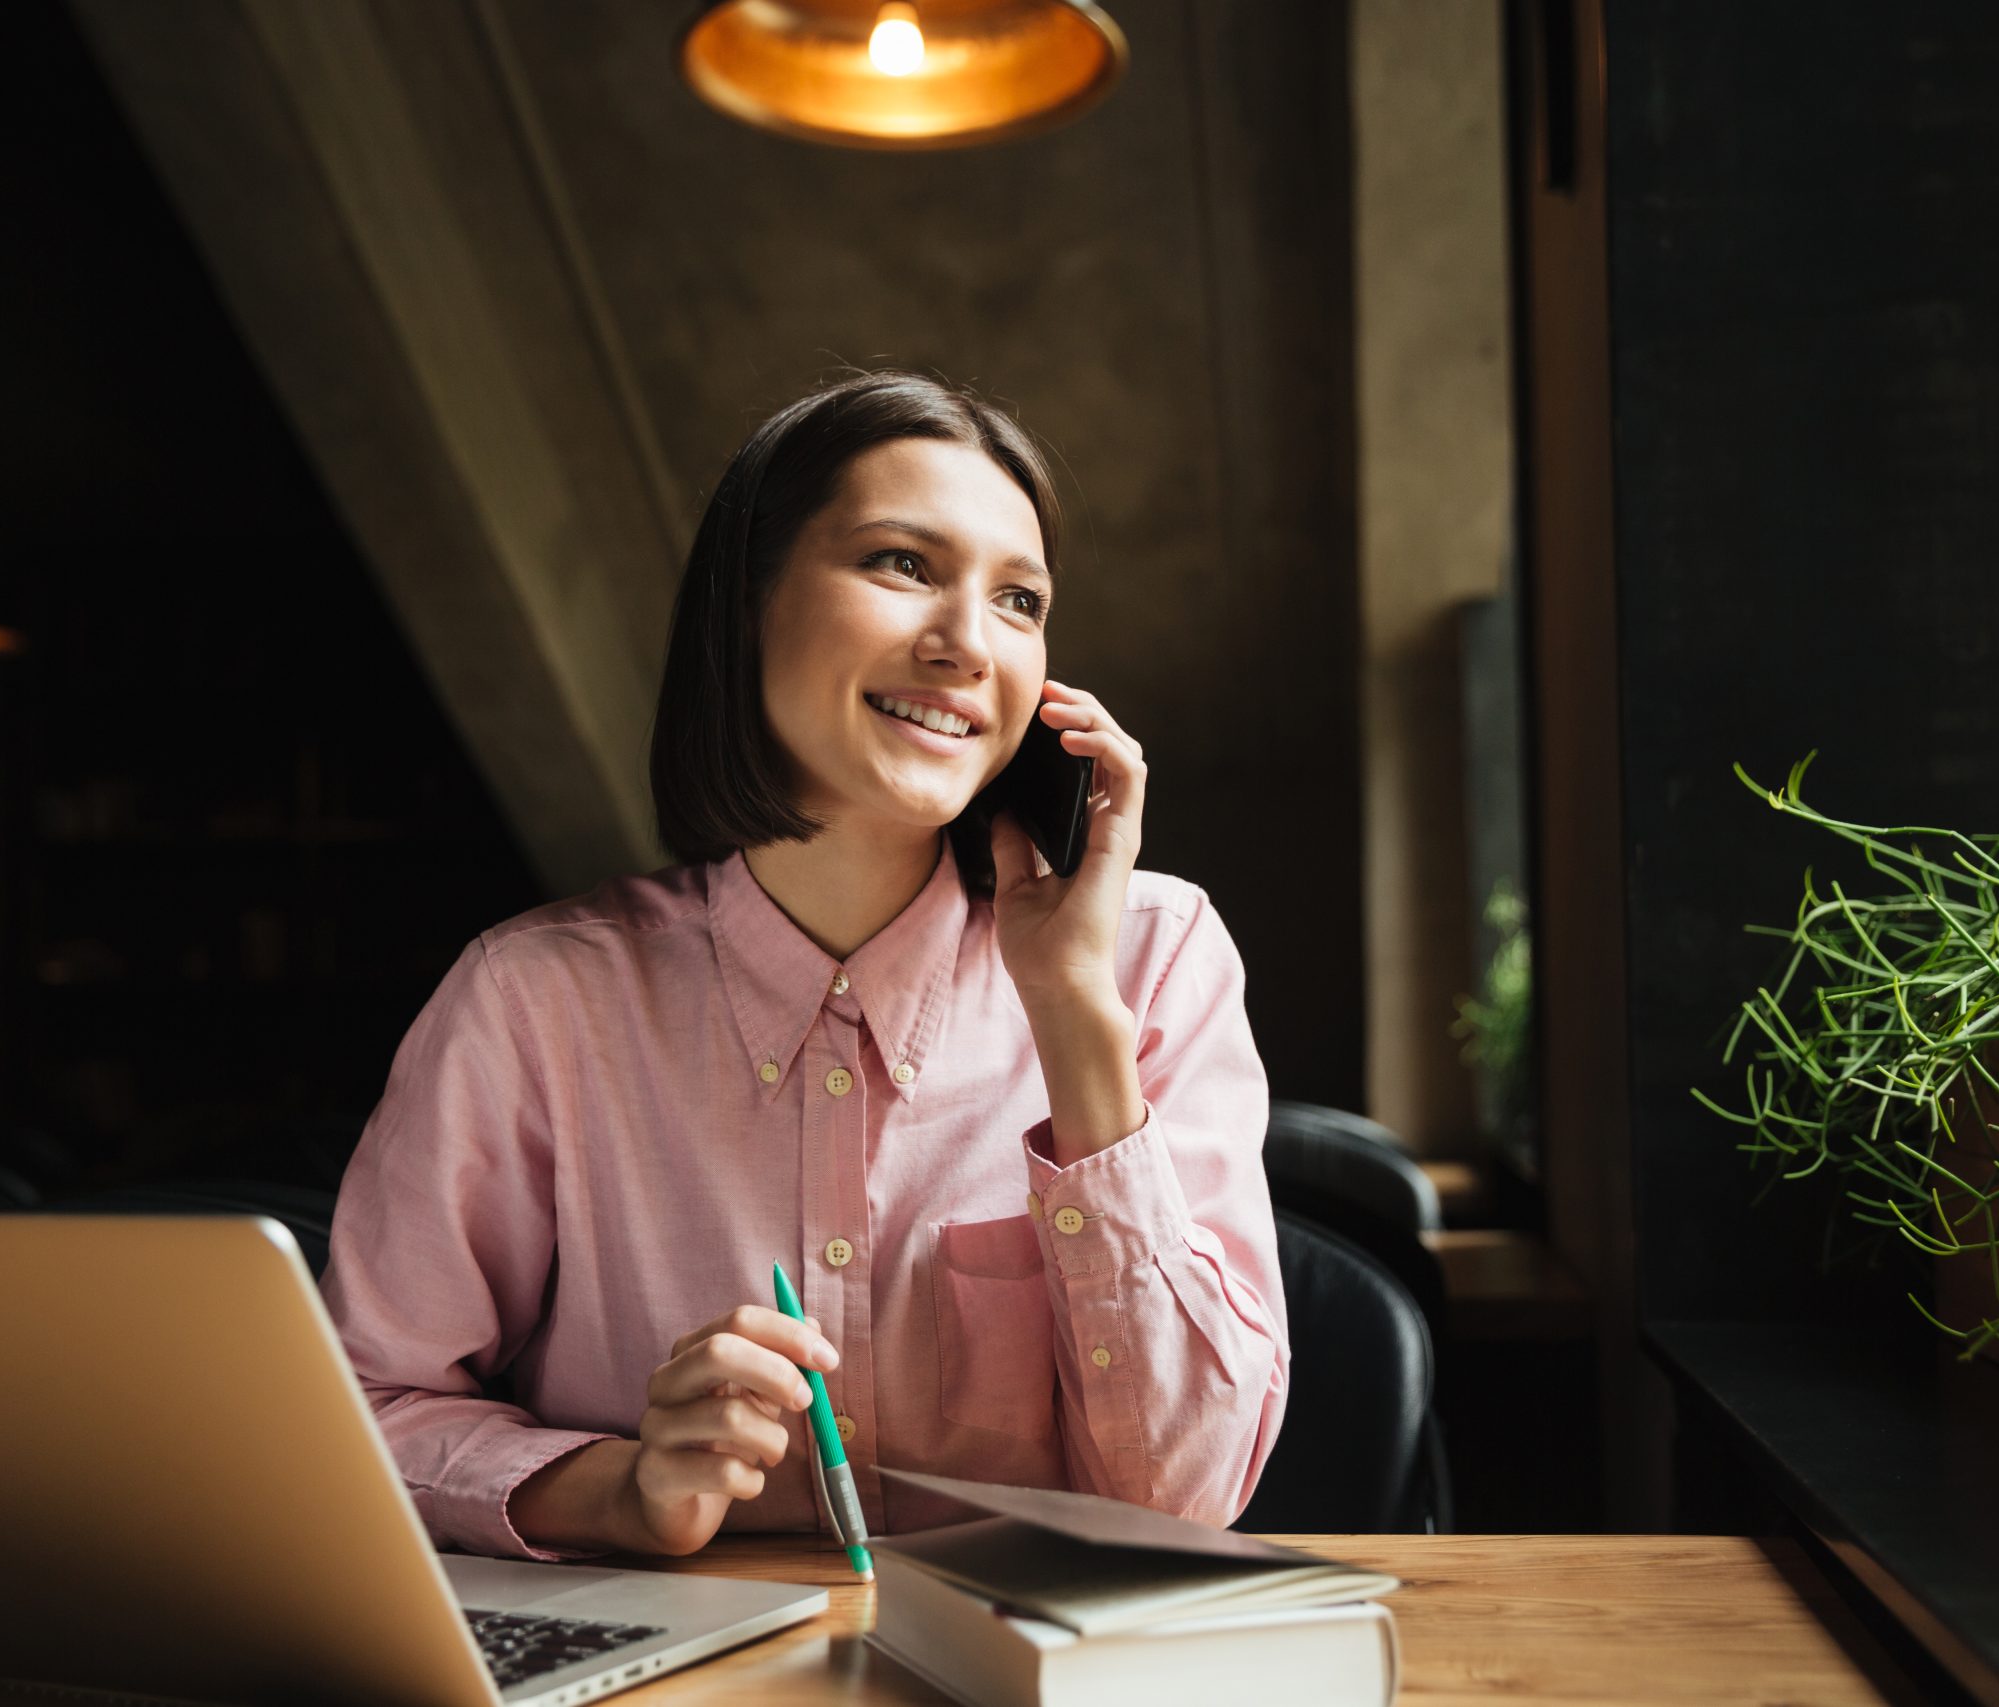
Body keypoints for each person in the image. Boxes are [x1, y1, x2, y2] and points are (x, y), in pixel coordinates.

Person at [322, 369, 1286, 1562]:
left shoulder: (1157, 956)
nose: (966, 645)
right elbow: (363, 1414)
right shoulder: (537, 999)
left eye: (1019, 601)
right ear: (747, 604)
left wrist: (1077, 1019)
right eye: (901, 564)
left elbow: (1181, 1502)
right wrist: (616, 1490)